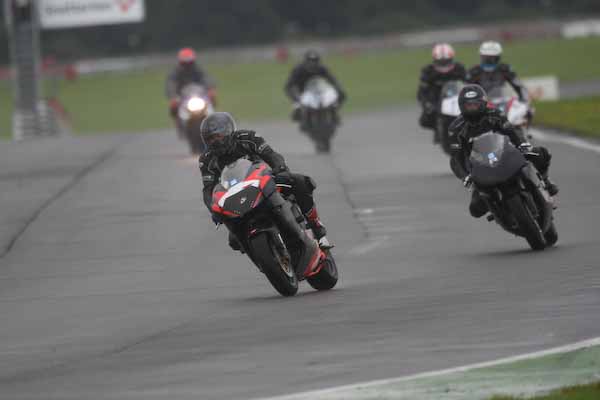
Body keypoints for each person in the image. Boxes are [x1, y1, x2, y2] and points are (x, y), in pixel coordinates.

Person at [199, 112, 331, 249]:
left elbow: (271, 155)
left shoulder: (248, 137)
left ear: (229, 131)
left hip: (263, 182)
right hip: (236, 198)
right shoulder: (206, 159)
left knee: (300, 182)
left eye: (218, 136)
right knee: (234, 240)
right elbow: (208, 189)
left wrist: (280, 169)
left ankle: (317, 229)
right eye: (210, 139)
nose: (215, 141)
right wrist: (213, 209)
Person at [449, 85, 558, 218]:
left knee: (540, 153)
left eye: (475, 104)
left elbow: (511, 132)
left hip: (504, 154)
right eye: (469, 105)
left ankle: (546, 181)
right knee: (475, 209)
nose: (472, 108)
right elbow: (456, 157)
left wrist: (521, 145)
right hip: (479, 166)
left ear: (483, 102)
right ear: (461, 106)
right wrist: (465, 176)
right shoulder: (455, 128)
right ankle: (496, 209)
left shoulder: (496, 114)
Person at [284, 50, 347, 121]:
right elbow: (289, 85)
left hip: (318, 90)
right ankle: (299, 112)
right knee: (298, 108)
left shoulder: (322, 69)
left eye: (315, 61)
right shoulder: (298, 70)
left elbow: (332, 79)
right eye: (310, 61)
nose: (312, 64)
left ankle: (334, 112)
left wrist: (338, 89)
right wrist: (296, 98)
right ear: (305, 62)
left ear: (318, 62)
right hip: (302, 91)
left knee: (341, 94)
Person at [417, 43, 467, 130]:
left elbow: (467, 85)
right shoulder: (428, 71)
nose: (444, 64)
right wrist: (427, 104)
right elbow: (422, 91)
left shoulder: (459, 69)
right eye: (441, 62)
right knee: (425, 120)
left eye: (446, 61)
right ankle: (438, 129)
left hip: (456, 100)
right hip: (436, 101)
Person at [165, 47, 216, 119]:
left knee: (212, 97)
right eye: (185, 63)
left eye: (190, 63)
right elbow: (171, 84)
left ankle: (212, 119)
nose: (187, 65)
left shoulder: (198, 70)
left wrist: (210, 89)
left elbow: (206, 79)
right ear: (181, 62)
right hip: (182, 97)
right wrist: (173, 96)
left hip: (198, 95)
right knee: (173, 106)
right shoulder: (175, 73)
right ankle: (178, 122)